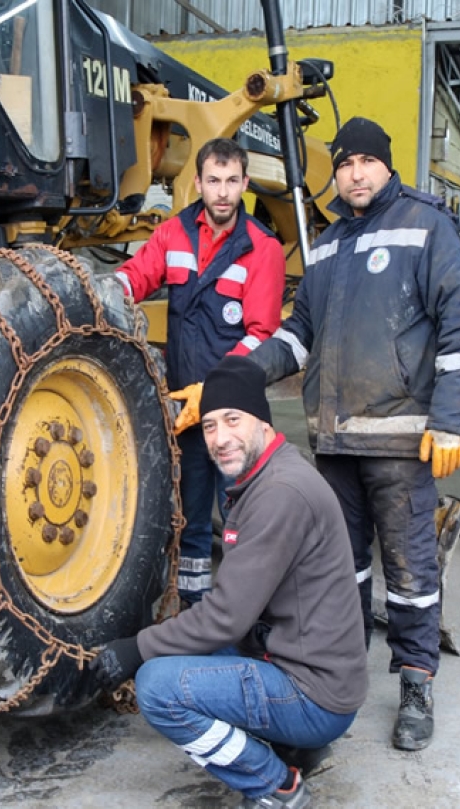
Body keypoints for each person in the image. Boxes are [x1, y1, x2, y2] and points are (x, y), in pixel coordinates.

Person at [247, 117, 460, 752]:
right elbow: (300, 336)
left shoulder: (426, 226)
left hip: (403, 442)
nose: (354, 174)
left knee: (410, 569)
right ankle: (340, 672)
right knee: (340, 570)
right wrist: (245, 371)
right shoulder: (324, 247)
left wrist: (452, 419)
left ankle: (415, 681)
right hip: (336, 442)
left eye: (366, 163)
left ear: (386, 166)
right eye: (345, 163)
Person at [91, 355, 368, 809]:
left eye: (232, 420)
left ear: (262, 420)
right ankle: (298, 746)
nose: (220, 439)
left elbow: (225, 618)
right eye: (210, 426)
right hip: (307, 665)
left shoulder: (280, 494)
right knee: (184, 649)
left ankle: (275, 784)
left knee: (158, 687)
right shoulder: (268, 475)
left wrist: (135, 648)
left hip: (314, 694)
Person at [115, 138, 286, 605]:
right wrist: (100, 290)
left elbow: (261, 334)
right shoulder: (173, 235)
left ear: (246, 184)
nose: (223, 193)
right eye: (214, 181)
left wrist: (213, 390)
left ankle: (244, 614)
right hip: (187, 410)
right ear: (198, 183)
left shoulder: (262, 249)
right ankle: (194, 612)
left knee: (241, 513)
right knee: (191, 518)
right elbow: (136, 276)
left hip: (235, 411)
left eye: (232, 182)